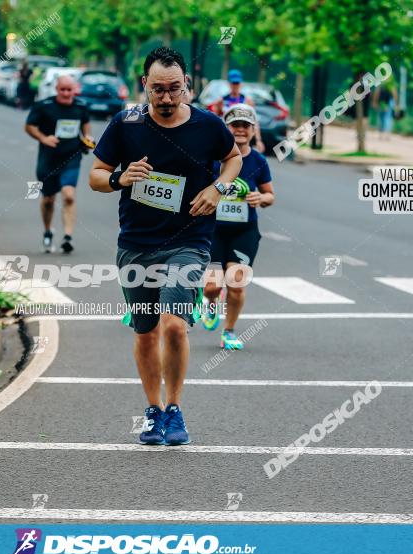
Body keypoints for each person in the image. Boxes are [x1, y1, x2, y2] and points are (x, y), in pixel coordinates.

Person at [89, 47, 242, 446]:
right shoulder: (126, 124)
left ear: (187, 85)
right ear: (145, 86)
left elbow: (234, 159)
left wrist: (218, 188)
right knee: (145, 332)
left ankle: (174, 408)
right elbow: (96, 175)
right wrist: (121, 179)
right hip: (137, 243)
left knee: (174, 325)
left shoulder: (209, 125)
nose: (167, 97)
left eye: (175, 88)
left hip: (189, 240)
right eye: (158, 89)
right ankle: (153, 410)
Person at [201, 104, 274, 350]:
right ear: (226, 128)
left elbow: (269, 195)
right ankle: (210, 302)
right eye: (235, 125)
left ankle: (229, 331)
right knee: (212, 286)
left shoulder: (259, 160)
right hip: (213, 230)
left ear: (253, 130)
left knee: (237, 282)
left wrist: (260, 199)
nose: (240, 130)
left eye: (246, 125)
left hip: (245, 231)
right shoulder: (213, 157)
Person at [25, 75, 92, 253]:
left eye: (69, 90)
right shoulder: (44, 106)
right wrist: (43, 138)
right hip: (48, 159)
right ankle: (47, 232)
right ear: (57, 89)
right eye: (62, 89)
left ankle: (68, 237)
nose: (66, 93)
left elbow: (85, 126)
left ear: (74, 90)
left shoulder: (80, 106)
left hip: (72, 157)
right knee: (48, 199)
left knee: (69, 195)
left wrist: (87, 139)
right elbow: (29, 126)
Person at [209, 69, 265, 152]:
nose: (235, 85)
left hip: (242, 138)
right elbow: (214, 121)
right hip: (226, 139)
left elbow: (255, 122)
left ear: (241, 83)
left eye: (237, 83)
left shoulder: (247, 101)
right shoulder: (221, 101)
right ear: (228, 83)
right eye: (233, 83)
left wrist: (258, 140)